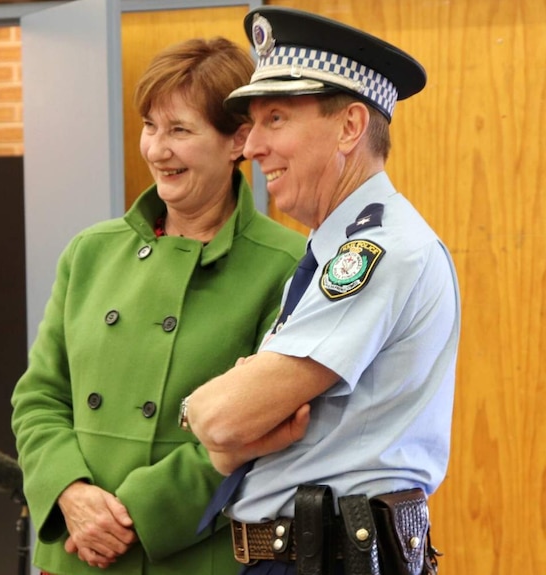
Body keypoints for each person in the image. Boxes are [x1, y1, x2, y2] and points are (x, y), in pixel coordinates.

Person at [10, 36, 307, 575]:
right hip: (78, 554)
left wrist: (133, 515)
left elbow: (263, 432)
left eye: (179, 130)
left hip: (188, 554)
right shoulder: (91, 252)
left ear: (238, 139)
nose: (156, 149)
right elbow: (40, 398)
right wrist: (71, 493)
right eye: (150, 125)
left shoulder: (286, 265)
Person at [184, 7, 462, 575]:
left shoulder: (376, 252)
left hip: (330, 556)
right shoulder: (334, 248)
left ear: (349, 127)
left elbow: (224, 423)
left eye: (276, 118)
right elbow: (229, 438)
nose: (251, 146)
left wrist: (197, 406)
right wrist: (226, 421)